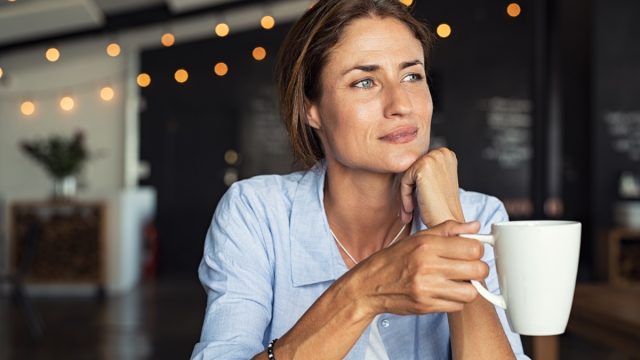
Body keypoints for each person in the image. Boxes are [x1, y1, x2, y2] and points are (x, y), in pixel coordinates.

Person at [192, 0, 529, 359]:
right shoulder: (257, 213)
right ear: (311, 108)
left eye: (412, 75)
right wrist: (363, 292)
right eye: (365, 82)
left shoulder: (481, 216)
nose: (401, 104)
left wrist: (449, 219)